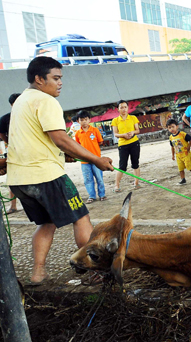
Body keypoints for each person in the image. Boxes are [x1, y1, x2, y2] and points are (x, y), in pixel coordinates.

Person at [7, 57, 113, 284]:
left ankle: (38, 273)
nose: (60, 83)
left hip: (20, 180)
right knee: (81, 217)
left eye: (60, 78)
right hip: (46, 176)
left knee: (47, 223)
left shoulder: (22, 101)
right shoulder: (45, 101)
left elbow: (37, 139)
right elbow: (61, 138)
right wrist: (96, 159)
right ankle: (95, 270)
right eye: (55, 78)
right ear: (39, 79)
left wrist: (64, 154)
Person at [74, 110, 107, 203]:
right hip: (84, 161)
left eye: (86, 119)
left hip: (96, 160)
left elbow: (100, 142)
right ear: (78, 121)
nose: (84, 121)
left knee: (99, 178)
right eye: (81, 120)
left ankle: (102, 195)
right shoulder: (77, 133)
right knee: (88, 179)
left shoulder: (95, 130)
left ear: (89, 120)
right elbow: (77, 146)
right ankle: (91, 196)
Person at [111, 100, 141, 192]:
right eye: (121, 107)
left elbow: (137, 130)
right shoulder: (115, 120)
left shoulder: (133, 118)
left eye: (125, 107)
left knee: (135, 163)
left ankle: (136, 182)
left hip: (134, 143)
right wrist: (123, 135)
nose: (123, 109)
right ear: (118, 109)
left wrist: (132, 132)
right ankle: (117, 185)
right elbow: (115, 134)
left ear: (128, 108)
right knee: (122, 166)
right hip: (123, 145)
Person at [0, 93, 21, 214]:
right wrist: (8, 142)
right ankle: (13, 206)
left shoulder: (31, 116)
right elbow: (2, 133)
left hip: (31, 151)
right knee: (13, 178)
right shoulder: (6, 119)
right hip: (14, 151)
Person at [167, 118, 191, 186]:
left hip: (186, 153)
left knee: (189, 166)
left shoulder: (182, 134)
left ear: (177, 126)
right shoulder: (171, 137)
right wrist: (172, 155)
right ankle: (183, 179)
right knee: (180, 168)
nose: (171, 129)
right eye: (169, 128)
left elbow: (190, 139)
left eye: (173, 127)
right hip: (178, 155)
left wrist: (188, 147)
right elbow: (172, 146)